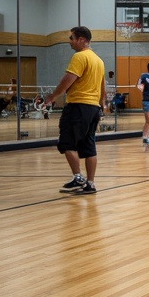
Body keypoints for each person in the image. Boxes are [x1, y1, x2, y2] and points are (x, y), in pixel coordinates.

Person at [44, 26, 106, 195]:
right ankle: (90, 183)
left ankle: (78, 178)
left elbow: (67, 80)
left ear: (81, 40)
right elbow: (102, 86)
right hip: (93, 108)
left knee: (67, 142)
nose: (69, 41)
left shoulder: (79, 57)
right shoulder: (99, 60)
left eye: (71, 38)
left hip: (78, 107)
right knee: (89, 146)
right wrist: (102, 104)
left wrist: (52, 97)